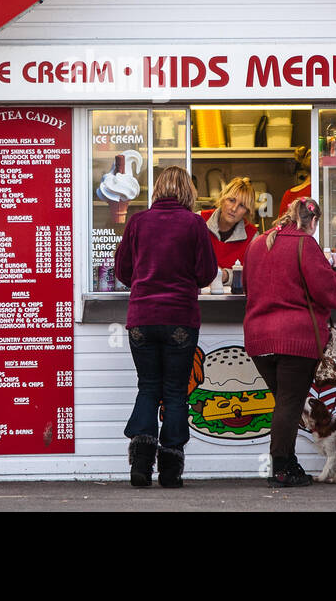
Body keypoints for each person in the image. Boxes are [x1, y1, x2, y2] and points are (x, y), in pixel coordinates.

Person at [114, 166, 218, 489]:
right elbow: (207, 272)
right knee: (174, 391)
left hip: (141, 320)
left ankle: (141, 466)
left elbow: (122, 270)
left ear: (157, 189)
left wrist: (145, 283)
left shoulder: (138, 222)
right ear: (187, 191)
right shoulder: (194, 224)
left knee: (148, 386)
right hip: (180, 322)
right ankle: (171, 469)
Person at [242, 197, 336, 488]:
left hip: (259, 339)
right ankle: (282, 468)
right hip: (295, 339)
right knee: (289, 403)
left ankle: (289, 462)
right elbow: (326, 292)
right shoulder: (305, 244)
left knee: (284, 404)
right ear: (312, 221)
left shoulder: (257, 243)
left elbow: (248, 286)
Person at [200, 176, 258, 276]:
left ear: (247, 212)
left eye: (242, 205)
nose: (234, 208)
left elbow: (253, 274)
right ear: (222, 199)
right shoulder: (199, 220)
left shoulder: (252, 236)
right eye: (231, 200)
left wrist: (226, 276)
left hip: (235, 291)